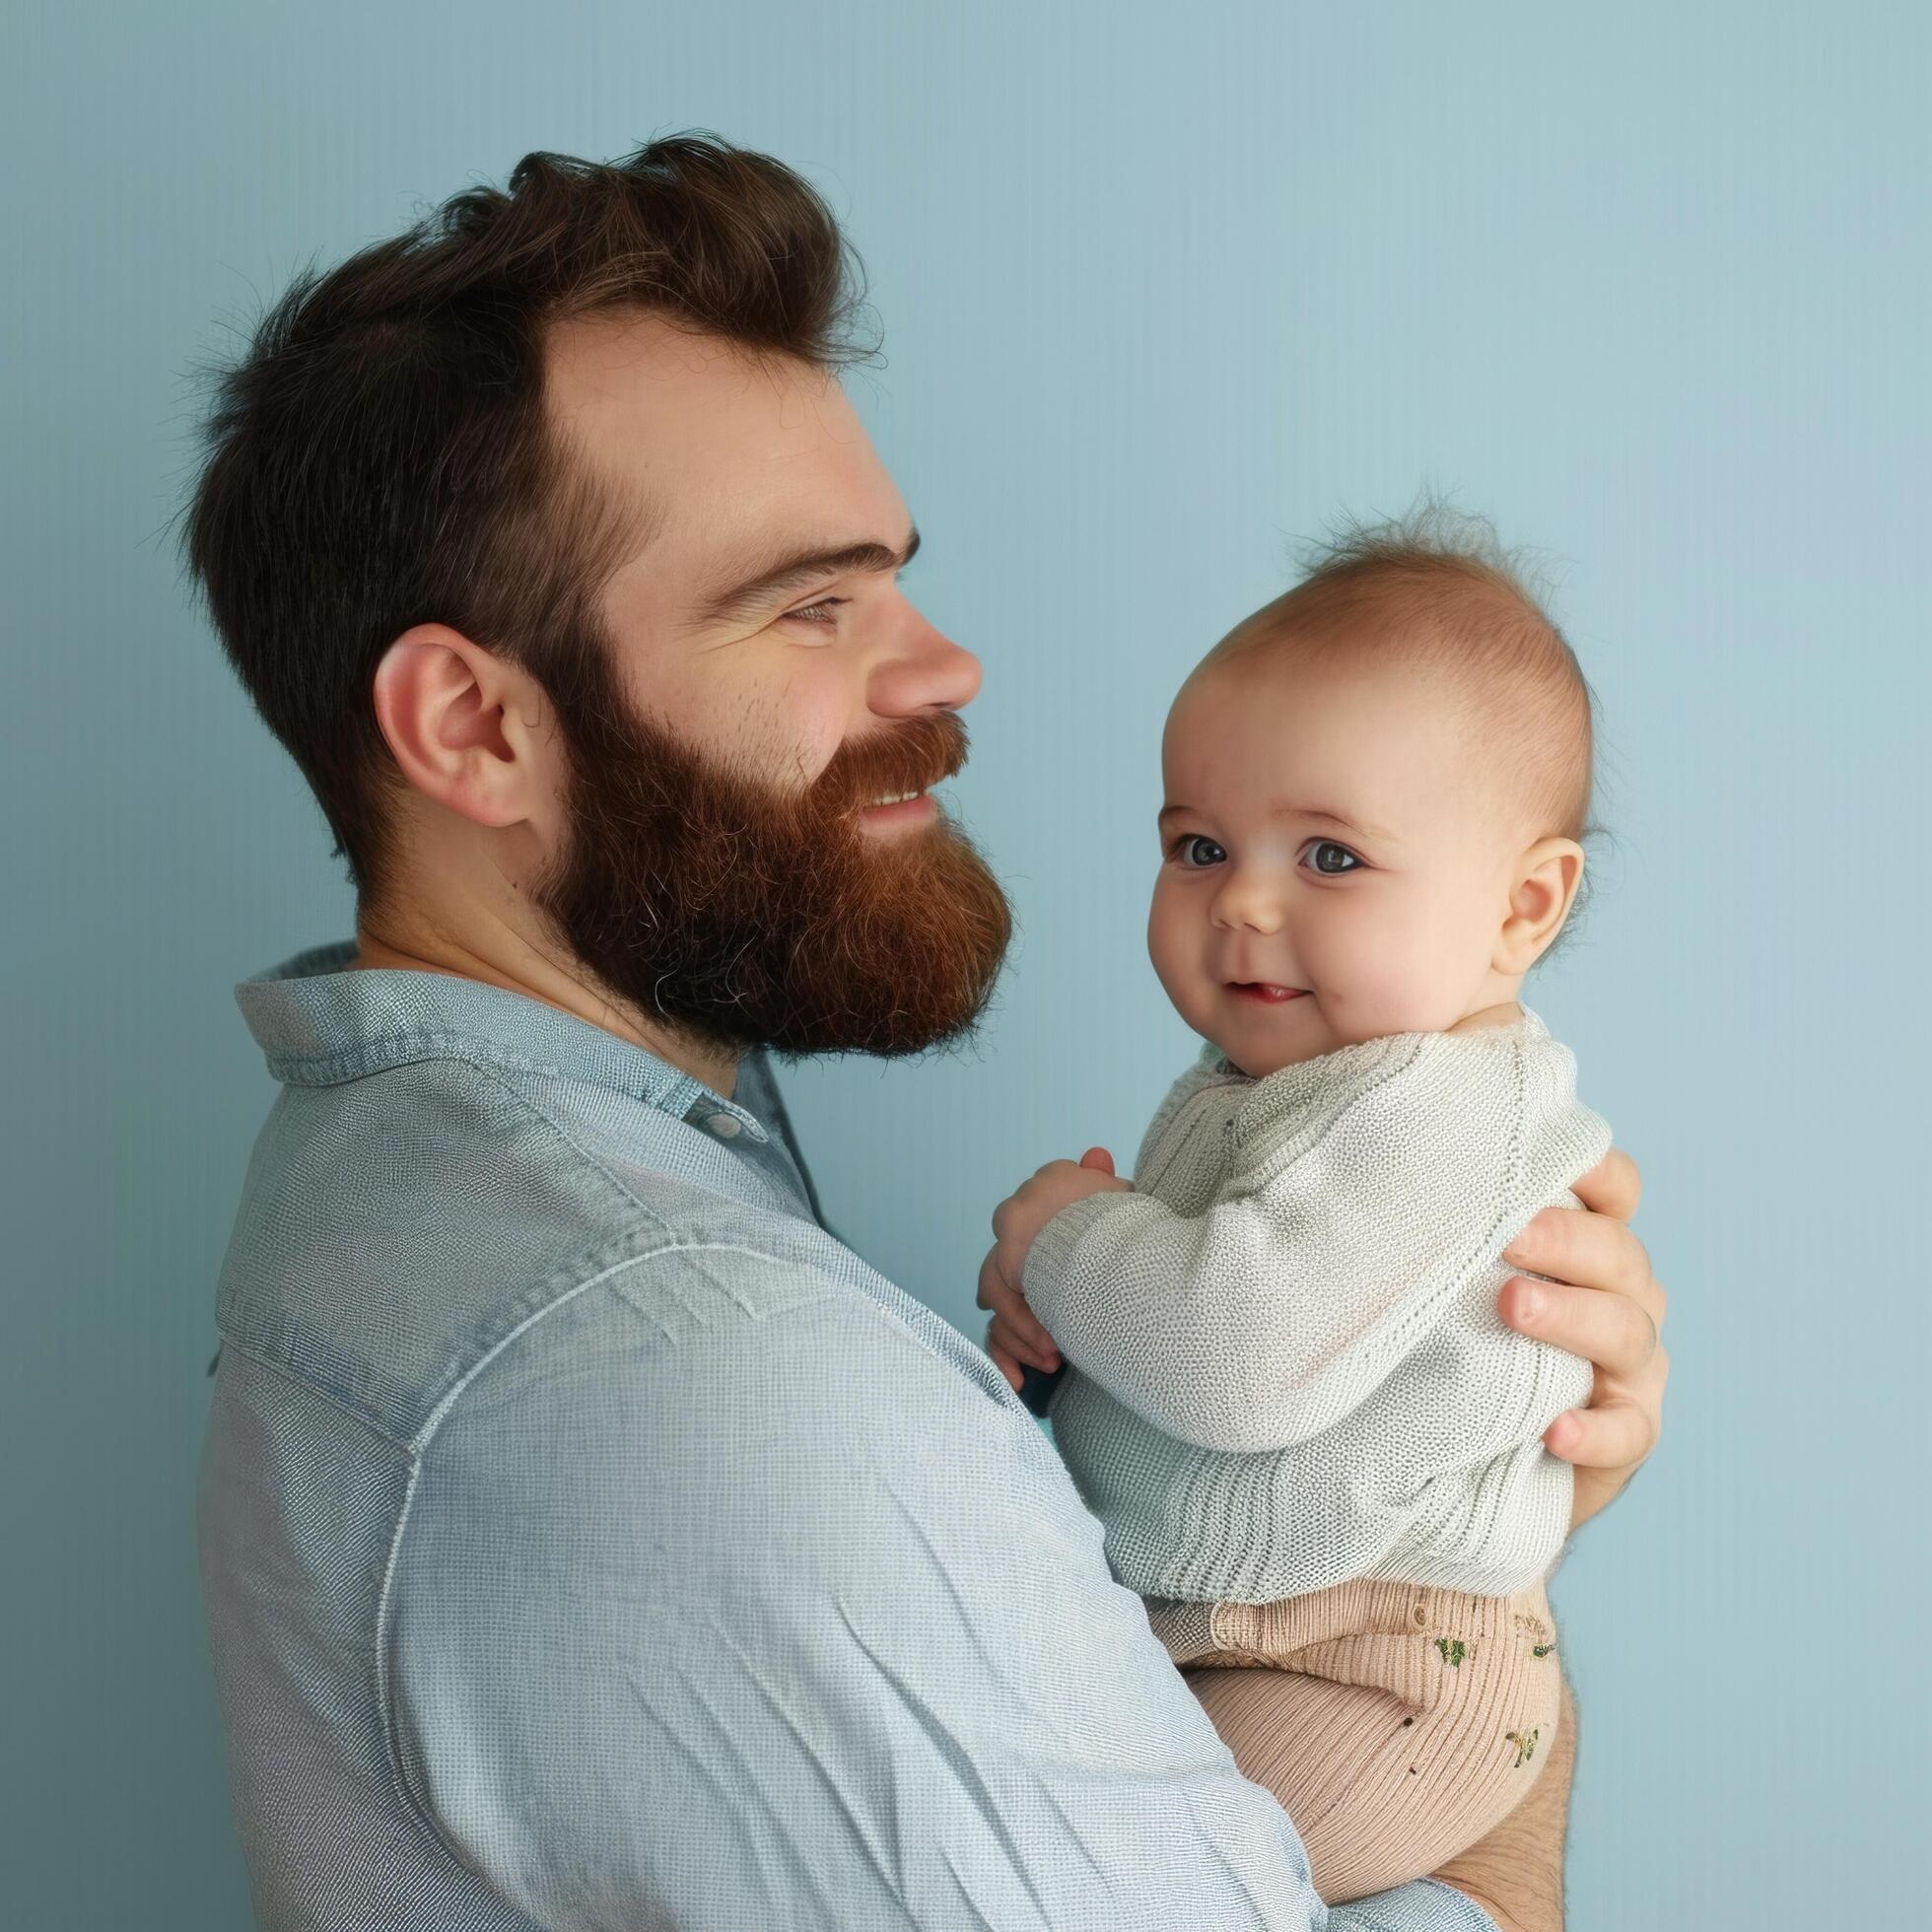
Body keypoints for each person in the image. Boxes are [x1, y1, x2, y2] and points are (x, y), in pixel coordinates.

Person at [185, 135, 1668, 1930]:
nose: (943, 667)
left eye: (891, 577)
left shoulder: (390, 1179)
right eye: (813, 604)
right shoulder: (702, 1371)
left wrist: (1465, 1464)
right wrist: (1507, 1823)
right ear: (474, 729)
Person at [978, 521, 1618, 1901]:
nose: (1246, 904)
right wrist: (1057, 1339)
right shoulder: (1287, 1086)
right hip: (1248, 1632)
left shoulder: (1442, 1106)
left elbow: (1238, 1357)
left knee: (1105, 1878)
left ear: (1522, 907)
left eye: (1330, 858)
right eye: (1199, 845)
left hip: (1376, 1673)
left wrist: (1067, 1237)